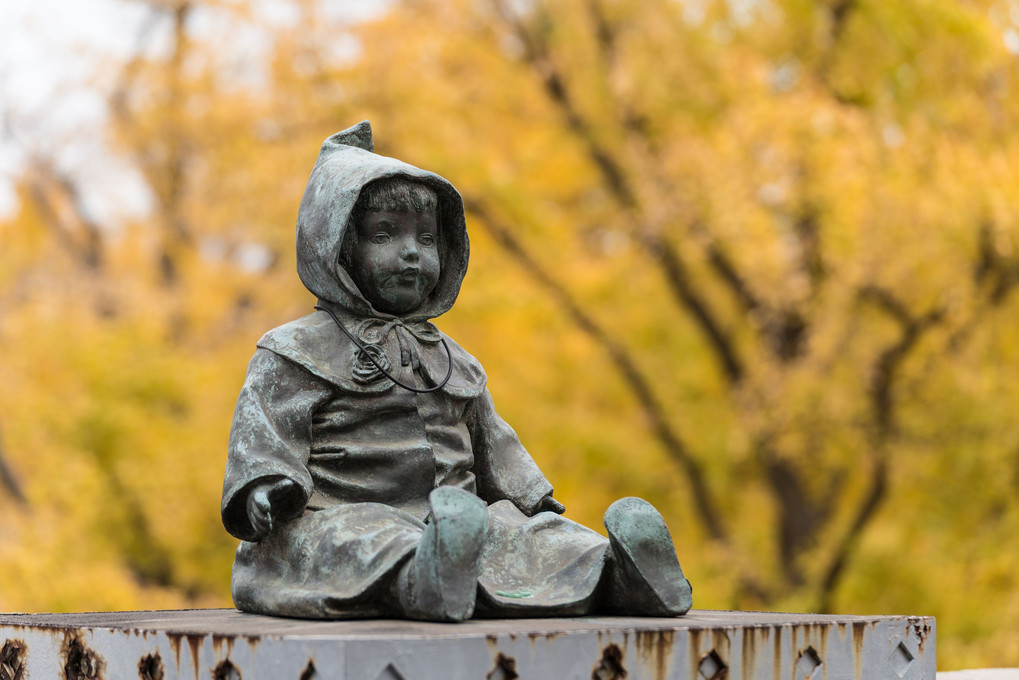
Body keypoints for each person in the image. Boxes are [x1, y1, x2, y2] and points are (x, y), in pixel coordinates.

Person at [221, 121, 692, 621]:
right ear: (335, 247)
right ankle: (424, 580)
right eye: (385, 234)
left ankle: (620, 574)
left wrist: (531, 500)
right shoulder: (292, 351)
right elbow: (264, 436)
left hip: (460, 520)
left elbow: (491, 437)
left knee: (527, 540)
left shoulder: (451, 358)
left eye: (427, 239)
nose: (412, 252)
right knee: (356, 543)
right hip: (344, 514)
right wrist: (264, 487)